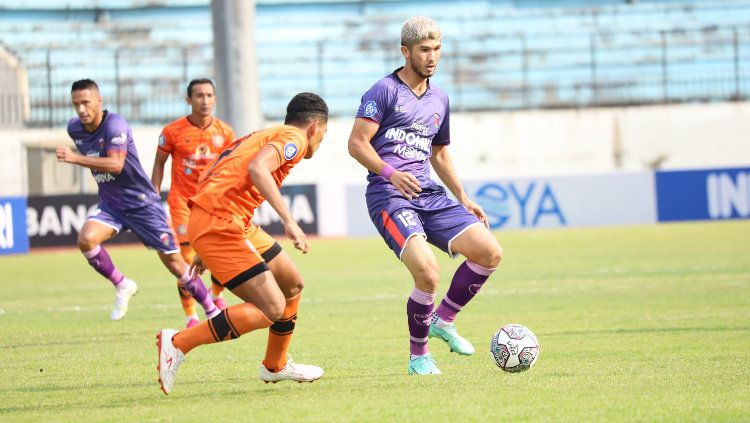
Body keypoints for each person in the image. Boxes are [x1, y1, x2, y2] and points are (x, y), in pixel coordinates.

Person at [347, 17, 503, 375]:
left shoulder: (440, 99)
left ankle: (443, 320)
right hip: (389, 194)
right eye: (424, 50)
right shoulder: (383, 91)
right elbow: (356, 144)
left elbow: (440, 153)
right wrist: (390, 172)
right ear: (406, 52)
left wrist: (463, 197)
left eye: (437, 50)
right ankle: (419, 357)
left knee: (489, 252)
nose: (432, 57)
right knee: (428, 274)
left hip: (428, 192)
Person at [157, 92, 329, 395]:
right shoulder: (296, 139)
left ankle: (275, 366)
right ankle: (178, 343)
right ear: (314, 127)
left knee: (292, 284)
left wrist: (202, 237)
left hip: (230, 221)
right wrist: (289, 220)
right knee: (273, 307)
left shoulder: (263, 134)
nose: (321, 140)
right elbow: (258, 169)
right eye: (324, 134)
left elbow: (213, 172)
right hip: (220, 223)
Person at [57, 79, 220, 321]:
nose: (81, 109)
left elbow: (116, 164)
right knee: (86, 239)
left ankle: (211, 309)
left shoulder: (116, 125)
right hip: (112, 205)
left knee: (176, 263)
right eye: (76, 104)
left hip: (142, 204)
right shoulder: (75, 128)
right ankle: (122, 284)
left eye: (86, 103)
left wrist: (74, 158)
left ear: (99, 102)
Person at [152, 78, 236, 328]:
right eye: (199, 95)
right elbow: (159, 163)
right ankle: (191, 316)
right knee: (187, 261)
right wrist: (152, 198)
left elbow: (232, 168)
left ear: (215, 99)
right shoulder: (172, 132)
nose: (205, 100)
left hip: (214, 204)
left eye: (210, 95)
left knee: (221, 255)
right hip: (182, 204)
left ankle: (216, 295)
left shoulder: (226, 133)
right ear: (189, 100)